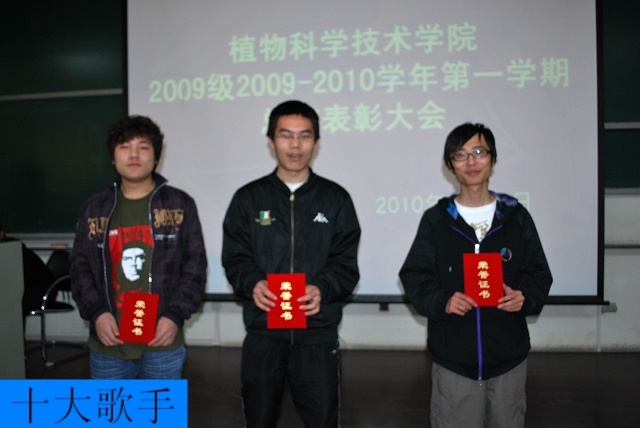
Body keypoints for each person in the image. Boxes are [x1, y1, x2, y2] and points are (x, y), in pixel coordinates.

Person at [399, 123, 552, 428]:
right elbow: (414, 274)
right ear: (450, 165)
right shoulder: (437, 220)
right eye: (461, 154)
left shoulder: (515, 216)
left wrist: (524, 296)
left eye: (479, 152)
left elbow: (538, 272)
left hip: (508, 358)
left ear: (493, 159)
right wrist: (442, 300)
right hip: (454, 361)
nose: (471, 161)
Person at [222, 100, 361, 427]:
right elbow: (235, 257)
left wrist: (322, 288)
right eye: (286, 135)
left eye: (304, 135)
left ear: (316, 142)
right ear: (271, 141)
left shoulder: (335, 198)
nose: (295, 145)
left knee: (323, 420)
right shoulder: (248, 198)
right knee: (259, 418)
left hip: (317, 335)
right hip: (263, 332)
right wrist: (252, 282)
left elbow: (345, 263)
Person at [70, 115, 207, 379]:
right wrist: (96, 313)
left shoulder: (179, 205)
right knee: (111, 407)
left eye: (143, 147)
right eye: (124, 147)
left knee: (158, 407)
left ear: (156, 157)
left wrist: (175, 315)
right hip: (108, 342)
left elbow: (195, 267)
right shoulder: (94, 209)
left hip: (162, 339)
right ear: (113, 157)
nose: (134, 155)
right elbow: (79, 268)